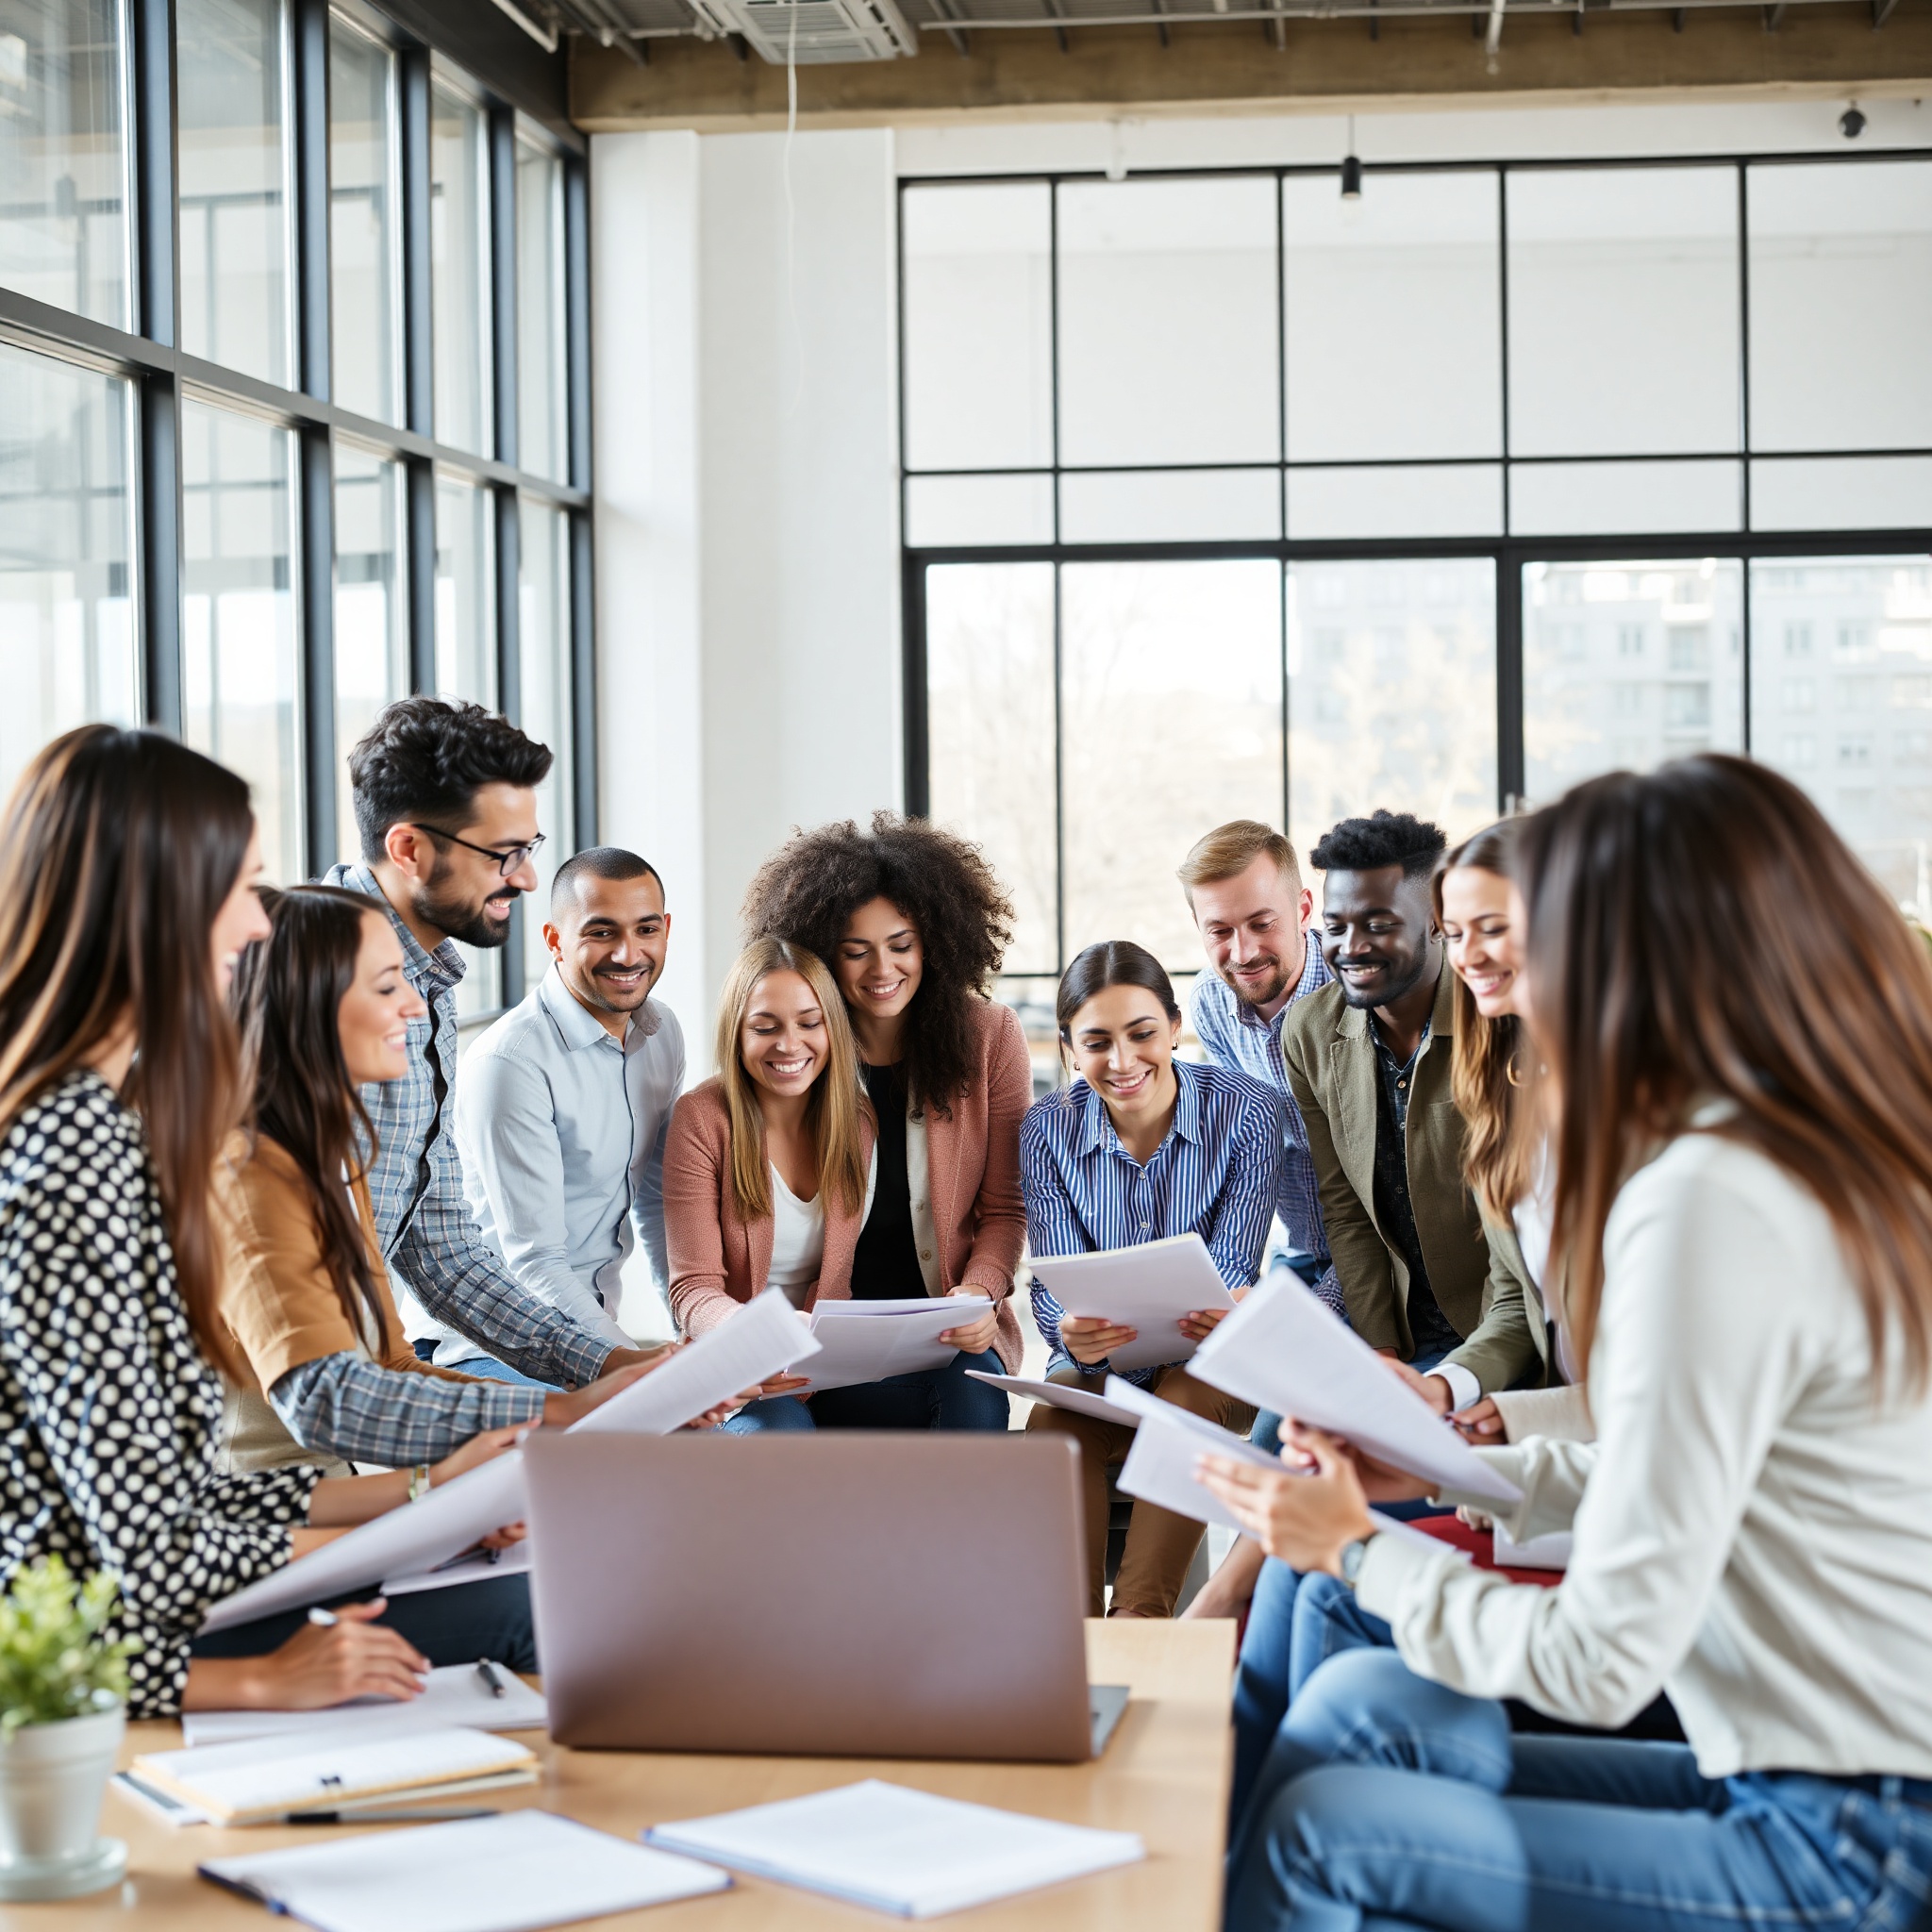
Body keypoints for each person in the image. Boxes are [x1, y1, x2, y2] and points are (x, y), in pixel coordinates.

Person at [1202, 755, 1932, 1932]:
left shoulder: (1708, 1194)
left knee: (1324, 1832)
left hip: (1851, 1836)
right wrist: (1447, 1468)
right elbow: (1676, 1470)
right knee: (1360, 1718)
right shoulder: (1796, 1156)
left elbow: (1601, 1655)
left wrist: (1354, 1547)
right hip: (1815, 1775)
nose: (1511, 966)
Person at [0, 727, 526, 1716]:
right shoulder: (78, 1148)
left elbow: (178, 1493)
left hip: (135, 1632)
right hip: (92, 1677)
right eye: (239, 888)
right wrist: (251, 1681)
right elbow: (136, 1559)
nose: (255, 925)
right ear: (156, 905)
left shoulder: (107, 1123)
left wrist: (424, 1498)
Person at [217, 883, 677, 1482]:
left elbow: (391, 1363)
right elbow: (328, 1404)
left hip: (325, 1483)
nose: (415, 1009)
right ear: (311, 1004)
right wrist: (564, 1410)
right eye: (388, 987)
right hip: (248, 1508)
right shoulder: (248, 1173)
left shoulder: (338, 1164)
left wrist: (599, 1386)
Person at [321, 697, 659, 1394]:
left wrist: (606, 1365)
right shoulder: (318, 981)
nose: (530, 878)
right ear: (409, 850)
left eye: (528, 849)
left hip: (346, 1366)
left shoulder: (430, 984)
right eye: (505, 854)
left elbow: (441, 1249)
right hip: (259, 1386)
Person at [739, 813, 1027, 1429]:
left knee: (975, 1405)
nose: (882, 970)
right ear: (820, 952)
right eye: (855, 951)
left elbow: (1005, 1210)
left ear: (936, 941)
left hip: (943, 1337)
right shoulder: (794, 1055)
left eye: (901, 945)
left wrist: (980, 1292)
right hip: (819, 1343)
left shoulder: (990, 1038)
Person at [1021, 941, 1279, 1619]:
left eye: (1141, 1034)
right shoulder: (1046, 1130)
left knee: (1184, 1405)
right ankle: (1064, 1635)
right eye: (1097, 1041)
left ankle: (1140, 1624)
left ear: (1173, 1026)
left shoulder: (1248, 1112)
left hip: (1206, 1364)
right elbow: (1051, 1282)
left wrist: (1215, 1312)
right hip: (1099, 1369)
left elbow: (1230, 1266)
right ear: (1071, 1050)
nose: (1123, 1060)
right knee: (1052, 1425)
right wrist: (1068, 1332)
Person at [1282, 809, 1540, 1413]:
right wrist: (1382, 1359)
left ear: (1436, 926)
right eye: (1336, 926)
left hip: (1500, 1333)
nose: (1352, 947)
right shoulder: (1311, 1031)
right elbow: (1345, 1211)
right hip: (1397, 1328)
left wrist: (1458, 1378)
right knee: (1277, 1436)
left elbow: (1517, 1261)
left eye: (1378, 924)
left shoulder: (1502, 1023)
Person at [1177, 821, 1336, 1625]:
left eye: (1260, 923)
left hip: (1372, 1259)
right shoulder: (1209, 1004)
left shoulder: (1354, 993)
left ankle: (1224, 1604)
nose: (1242, 950)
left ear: (1302, 906)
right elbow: (1251, 1148)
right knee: (1186, 1388)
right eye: (1219, 931)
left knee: (1281, 1402)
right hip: (1297, 1254)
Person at [456, 848, 685, 1358]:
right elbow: (534, 1263)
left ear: (665, 929)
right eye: (601, 933)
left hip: (591, 1328)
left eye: (646, 930)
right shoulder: (510, 1063)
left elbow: (655, 1200)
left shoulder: (662, 1032)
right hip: (492, 1345)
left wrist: (691, 1327)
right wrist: (630, 1364)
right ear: (555, 941)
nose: (628, 954)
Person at [661, 939, 874, 1433]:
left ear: (832, 1029)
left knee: (963, 1399)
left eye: (809, 1022)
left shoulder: (858, 1122)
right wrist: (760, 1338)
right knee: (781, 1431)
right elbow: (692, 1290)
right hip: (741, 1374)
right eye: (765, 1027)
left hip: (825, 1367)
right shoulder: (702, 1118)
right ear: (737, 1033)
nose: (789, 1044)